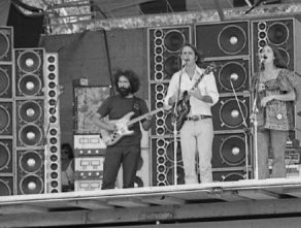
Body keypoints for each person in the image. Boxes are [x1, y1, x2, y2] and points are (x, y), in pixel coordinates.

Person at [163, 44, 219, 184]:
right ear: (181, 57)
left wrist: (201, 97)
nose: (186, 56)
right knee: (188, 164)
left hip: (204, 121)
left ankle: (207, 191)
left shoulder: (207, 74)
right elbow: (166, 103)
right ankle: (192, 192)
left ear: (196, 57)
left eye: (189, 53)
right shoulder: (177, 77)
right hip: (185, 123)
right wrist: (173, 98)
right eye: (184, 53)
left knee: (205, 163)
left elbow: (214, 98)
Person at [90, 69, 151, 189]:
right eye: (120, 82)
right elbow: (95, 119)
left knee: (129, 183)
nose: (122, 85)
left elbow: (146, 127)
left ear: (132, 84)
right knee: (107, 181)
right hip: (114, 145)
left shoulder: (138, 103)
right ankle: (107, 200)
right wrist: (108, 127)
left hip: (132, 146)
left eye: (125, 82)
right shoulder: (111, 101)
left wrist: (149, 119)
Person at [251, 44, 301, 179]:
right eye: (263, 51)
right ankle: (262, 184)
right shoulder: (257, 76)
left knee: (278, 156)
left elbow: (292, 95)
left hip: (279, 118)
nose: (264, 53)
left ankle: (278, 184)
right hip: (261, 118)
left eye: (268, 51)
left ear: (274, 56)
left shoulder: (283, 74)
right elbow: (255, 98)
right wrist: (253, 110)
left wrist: (273, 97)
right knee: (260, 156)